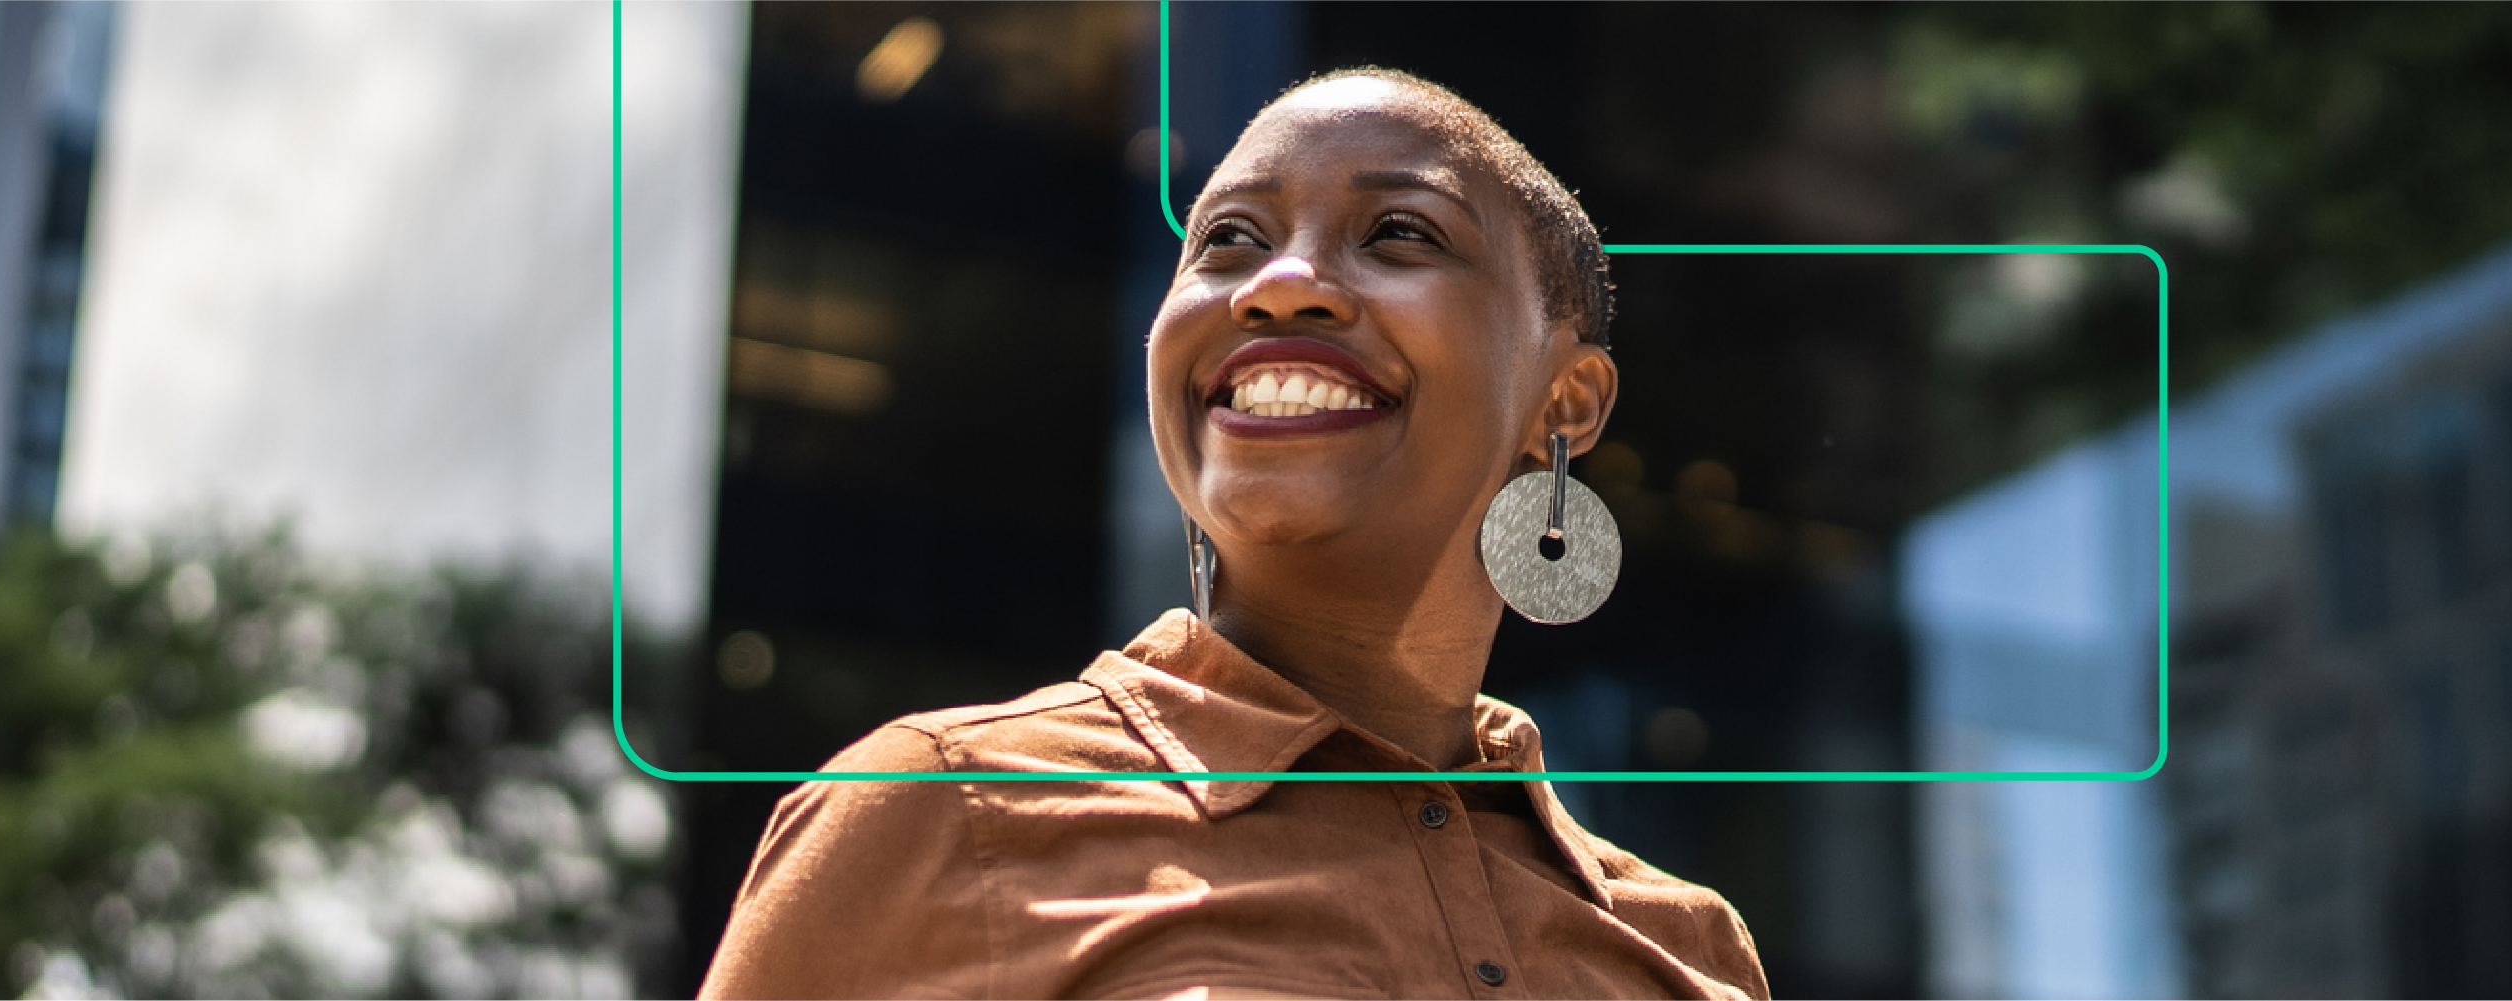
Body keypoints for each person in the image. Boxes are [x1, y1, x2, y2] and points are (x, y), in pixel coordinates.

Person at [701, 68, 1770, 1001]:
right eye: (1229, 240)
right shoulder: (940, 808)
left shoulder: (1688, 945)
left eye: (1399, 231)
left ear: (1565, 399)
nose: (1282, 282)